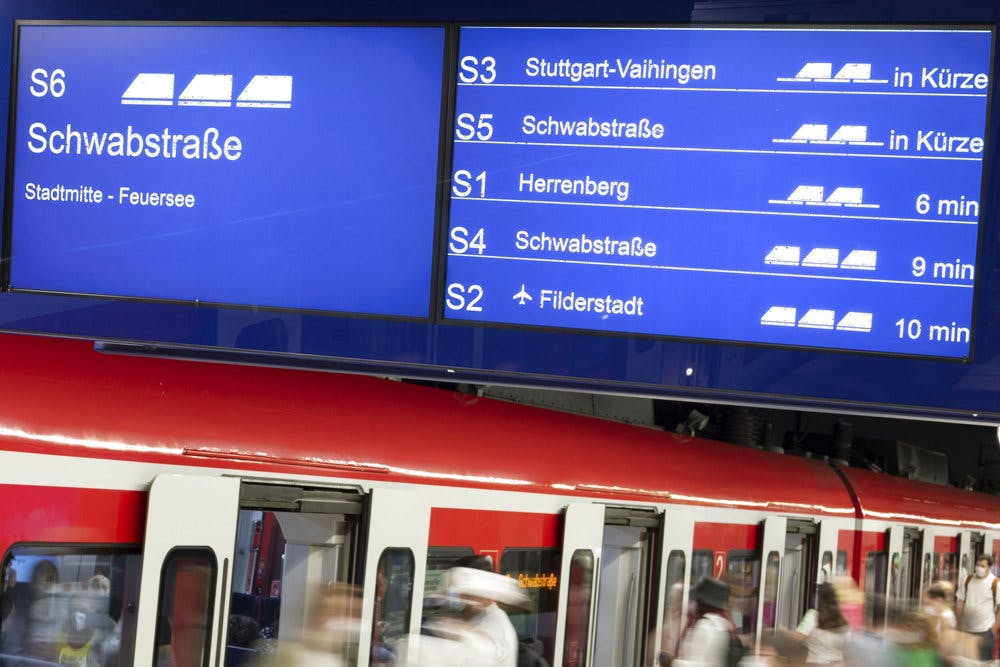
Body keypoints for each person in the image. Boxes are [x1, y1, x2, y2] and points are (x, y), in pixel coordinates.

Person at [674, 577, 743, 667]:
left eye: (696, 600)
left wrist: (672, 662)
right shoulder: (723, 624)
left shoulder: (706, 626)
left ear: (703, 603)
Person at [955, 553, 999, 662]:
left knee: (983, 661)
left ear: (989, 567)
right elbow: (960, 602)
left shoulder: (995, 583)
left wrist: (993, 629)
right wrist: (957, 623)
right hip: (966, 629)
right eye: (977, 565)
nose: (979, 568)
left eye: (983, 566)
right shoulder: (968, 579)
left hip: (985, 630)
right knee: (965, 661)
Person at [795, 582, 849, 664]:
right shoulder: (844, 622)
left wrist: (781, 633)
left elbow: (798, 638)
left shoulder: (813, 616)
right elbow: (847, 652)